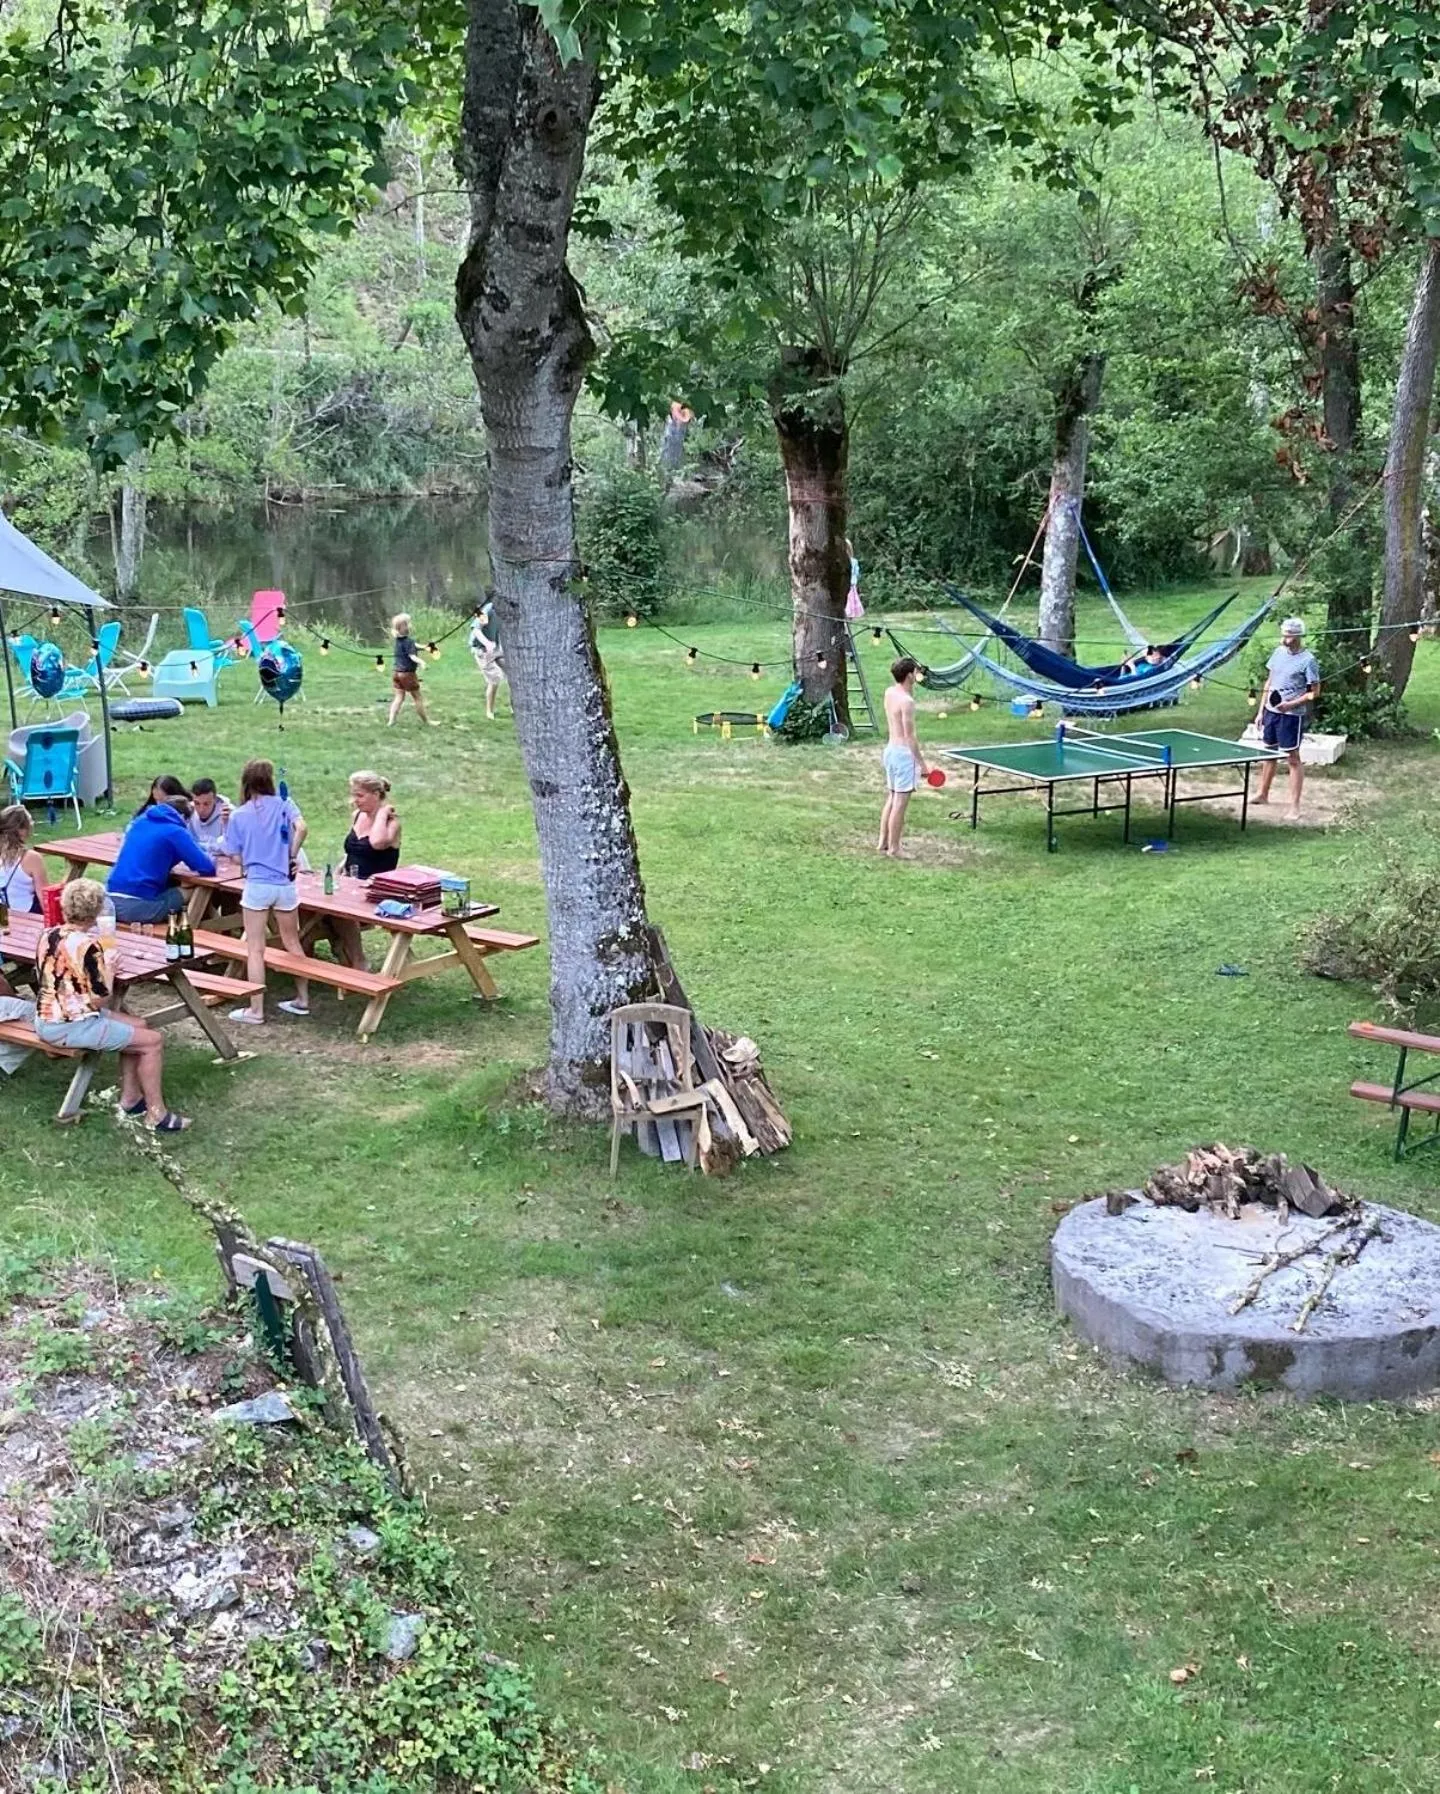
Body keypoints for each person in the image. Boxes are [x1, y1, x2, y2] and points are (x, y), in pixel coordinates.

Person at [34, 877, 189, 1130]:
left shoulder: (47, 934)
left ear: (64, 907)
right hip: (71, 1024)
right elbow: (100, 999)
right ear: (95, 914)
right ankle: (157, 1114)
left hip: (48, 1016)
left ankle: (130, 1098)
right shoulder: (88, 946)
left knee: (140, 1025)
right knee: (153, 1042)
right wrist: (110, 968)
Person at [219, 759, 312, 1024]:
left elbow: (234, 855)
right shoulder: (284, 803)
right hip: (284, 883)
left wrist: (228, 830)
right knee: (292, 941)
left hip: (257, 884)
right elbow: (303, 827)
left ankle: (256, 1010)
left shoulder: (239, 815)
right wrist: (291, 855)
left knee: (255, 948)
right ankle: (302, 998)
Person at [326, 771, 402, 971]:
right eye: (353, 795)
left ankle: (358, 959)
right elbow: (350, 852)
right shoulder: (357, 816)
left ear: (376, 794)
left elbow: (377, 843)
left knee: (340, 911)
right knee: (313, 907)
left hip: (376, 890)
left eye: (359, 796)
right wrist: (337, 874)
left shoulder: (391, 823)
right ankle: (337, 947)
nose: (354, 801)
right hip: (350, 884)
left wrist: (383, 813)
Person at [107, 788, 215, 925]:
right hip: (139, 907)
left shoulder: (139, 823)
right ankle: (202, 929)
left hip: (110, 901)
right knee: (197, 891)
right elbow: (207, 867)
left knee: (172, 886)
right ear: (183, 817)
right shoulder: (176, 831)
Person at [1256, 616, 1321, 820]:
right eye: (1284, 634)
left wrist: (1290, 705)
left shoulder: (1308, 660)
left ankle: (1294, 806)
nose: (1285, 638)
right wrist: (1260, 711)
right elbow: (1270, 681)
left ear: (1298, 636)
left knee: (1292, 758)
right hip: (1271, 712)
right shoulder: (1278, 653)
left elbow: (1314, 692)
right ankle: (1262, 794)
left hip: (1292, 716)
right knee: (1269, 753)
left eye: (1290, 635)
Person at [879, 656, 930, 858]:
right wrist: (923, 765)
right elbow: (910, 737)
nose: (918, 676)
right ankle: (895, 848)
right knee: (900, 802)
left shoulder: (890, 692)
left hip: (890, 751)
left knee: (892, 797)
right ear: (909, 675)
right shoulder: (907, 702)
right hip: (902, 755)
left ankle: (883, 842)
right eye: (916, 672)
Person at [387, 613, 437, 727]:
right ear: (402, 627)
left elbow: (414, 645)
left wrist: (425, 647)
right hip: (407, 675)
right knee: (418, 698)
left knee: (399, 697)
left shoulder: (399, 640)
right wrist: (422, 662)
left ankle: (391, 721)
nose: (410, 625)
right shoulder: (408, 641)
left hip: (397, 673)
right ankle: (427, 722)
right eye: (408, 623)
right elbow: (412, 656)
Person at [0, 803, 47, 915]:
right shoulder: (32, 858)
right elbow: (45, 899)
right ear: (21, 830)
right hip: (26, 916)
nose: (33, 824)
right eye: (30, 822)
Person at [469, 596, 507, 720]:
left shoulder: (506, 608)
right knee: (495, 678)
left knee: (514, 672)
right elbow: (475, 630)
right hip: (482, 650)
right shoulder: (487, 609)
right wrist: (487, 643)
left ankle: (515, 707)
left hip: (496, 648)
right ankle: (489, 711)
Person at [187, 778, 232, 853]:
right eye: (197, 803)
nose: (201, 809)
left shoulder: (228, 814)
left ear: (215, 799)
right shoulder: (188, 812)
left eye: (206, 804)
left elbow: (232, 847)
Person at [845, 537, 865, 621]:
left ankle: (849, 614)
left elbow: (856, 573)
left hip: (850, 584)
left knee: (850, 600)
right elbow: (857, 574)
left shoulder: (853, 561)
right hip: (850, 583)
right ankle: (848, 614)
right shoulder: (853, 561)